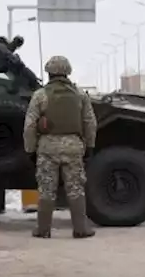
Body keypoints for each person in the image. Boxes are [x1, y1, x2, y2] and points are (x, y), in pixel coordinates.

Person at [23, 55, 97, 239]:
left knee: (47, 189)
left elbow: (30, 125)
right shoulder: (80, 95)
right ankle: (81, 229)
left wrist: (30, 149)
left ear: (48, 73)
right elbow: (90, 122)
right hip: (73, 146)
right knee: (76, 188)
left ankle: (43, 229)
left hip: (48, 147)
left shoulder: (40, 95)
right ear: (68, 72)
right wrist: (90, 146)